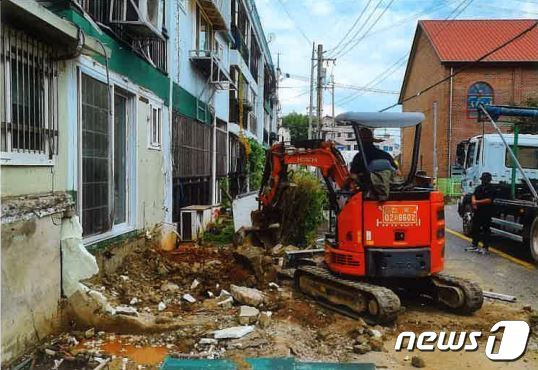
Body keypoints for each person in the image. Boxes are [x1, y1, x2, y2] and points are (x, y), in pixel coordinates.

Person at [349, 127, 398, 200]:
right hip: (389, 192)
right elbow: (397, 172)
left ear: (360, 142)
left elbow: (353, 176)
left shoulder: (358, 157)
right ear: (372, 141)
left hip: (368, 194)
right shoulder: (385, 155)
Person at [467, 172, 494, 254]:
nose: (483, 181)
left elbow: (489, 200)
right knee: (475, 228)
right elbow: (473, 195)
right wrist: (473, 201)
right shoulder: (479, 187)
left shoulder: (491, 189)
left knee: (485, 230)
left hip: (486, 212)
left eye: (485, 179)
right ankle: (474, 245)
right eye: (483, 179)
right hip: (477, 212)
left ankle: (485, 247)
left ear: (488, 180)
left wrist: (477, 202)